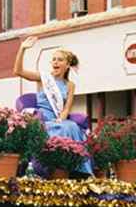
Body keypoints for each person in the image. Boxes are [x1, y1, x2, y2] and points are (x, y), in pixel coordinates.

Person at [13, 36, 92, 174]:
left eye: (60, 60)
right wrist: (22, 49)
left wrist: (61, 118)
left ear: (67, 65)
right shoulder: (43, 78)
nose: (55, 62)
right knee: (62, 128)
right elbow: (18, 71)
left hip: (58, 118)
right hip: (43, 119)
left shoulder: (70, 85)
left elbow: (66, 108)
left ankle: (80, 171)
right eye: (54, 59)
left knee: (71, 126)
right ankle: (53, 170)